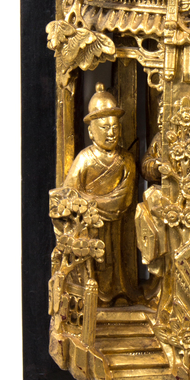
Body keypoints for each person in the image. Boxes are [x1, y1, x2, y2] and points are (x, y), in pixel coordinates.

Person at [63, 83, 137, 305]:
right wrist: (88, 207)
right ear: (91, 132)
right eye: (104, 128)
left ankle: (118, 291)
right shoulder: (84, 159)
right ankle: (93, 296)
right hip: (90, 225)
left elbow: (124, 198)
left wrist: (89, 201)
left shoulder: (126, 160)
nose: (111, 133)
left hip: (118, 223)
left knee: (116, 257)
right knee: (94, 261)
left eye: (114, 127)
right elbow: (68, 194)